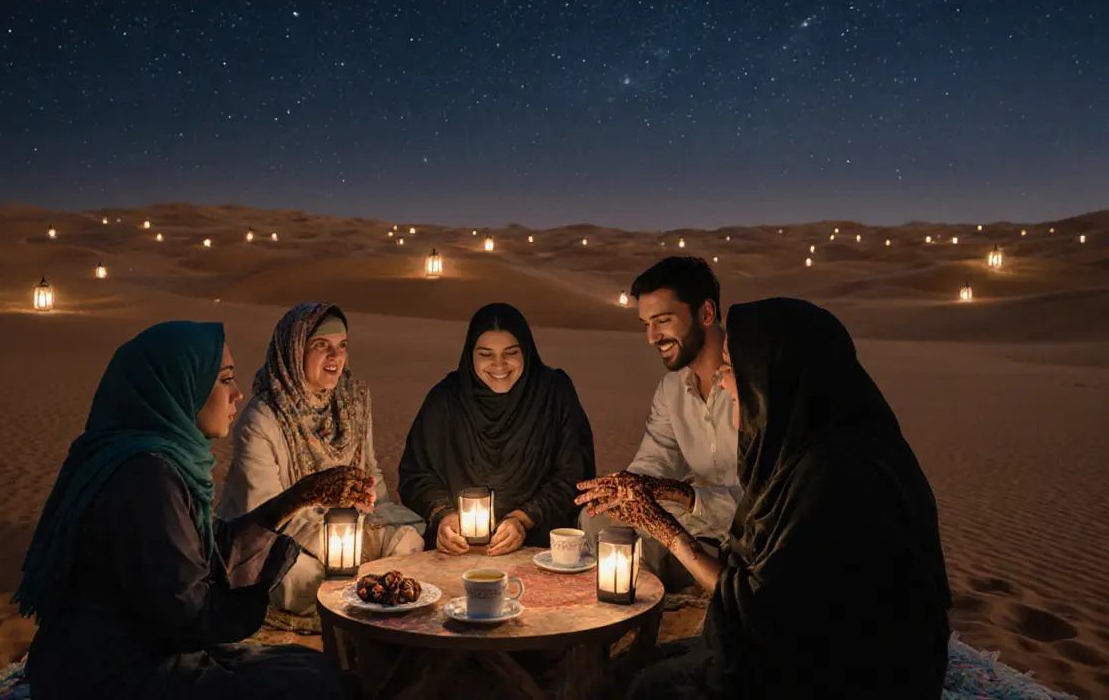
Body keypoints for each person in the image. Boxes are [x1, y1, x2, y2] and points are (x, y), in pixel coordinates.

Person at [581, 298, 952, 699]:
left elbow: (760, 615)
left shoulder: (836, 475)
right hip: (807, 645)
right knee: (640, 668)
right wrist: (661, 491)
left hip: (851, 669)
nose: (722, 381)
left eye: (731, 367)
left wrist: (664, 529)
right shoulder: (807, 450)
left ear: (778, 376)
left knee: (646, 688)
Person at [16, 321, 372, 700]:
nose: (237, 394)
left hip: (142, 649)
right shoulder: (144, 478)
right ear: (180, 386)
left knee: (312, 668)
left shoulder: (158, 461)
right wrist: (253, 596)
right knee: (317, 685)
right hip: (116, 669)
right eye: (224, 380)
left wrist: (300, 496)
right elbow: (186, 614)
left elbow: (204, 548)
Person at [217, 303, 424, 615]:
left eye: (342, 346)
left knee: (408, 538)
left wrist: (376, 512)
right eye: (321, 346)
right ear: (294, 350)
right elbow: (265, 509)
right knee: (303, 579)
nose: (335, 357)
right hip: (283, 534)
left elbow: (370, 470)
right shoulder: (263, 418)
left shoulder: (353, 400)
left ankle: (365, 595)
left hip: (348, 529)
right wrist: (339, 550)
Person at [579, 256, 742, 590]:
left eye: (663, 321)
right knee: (596, 519)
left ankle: (633, 621)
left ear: (706, 313)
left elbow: (767, 501)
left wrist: (681, 496)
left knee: (639, 553)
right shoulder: (672, 389)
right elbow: (656, 459)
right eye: (646, 324)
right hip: (694, 523)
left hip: (743, 534)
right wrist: (626, 489)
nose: (652, 337)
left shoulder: (751, 382)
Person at [398, 302, 596, 555]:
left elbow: (574, 475)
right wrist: (444, 516)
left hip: (540, 545)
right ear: (470, 355)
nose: (499, 364)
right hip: (459, 547)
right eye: (485, 354)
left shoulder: (554, 394)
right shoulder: (445, 399)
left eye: (510, 352)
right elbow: (415, 475)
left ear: (526, 351)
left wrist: (523, 518)